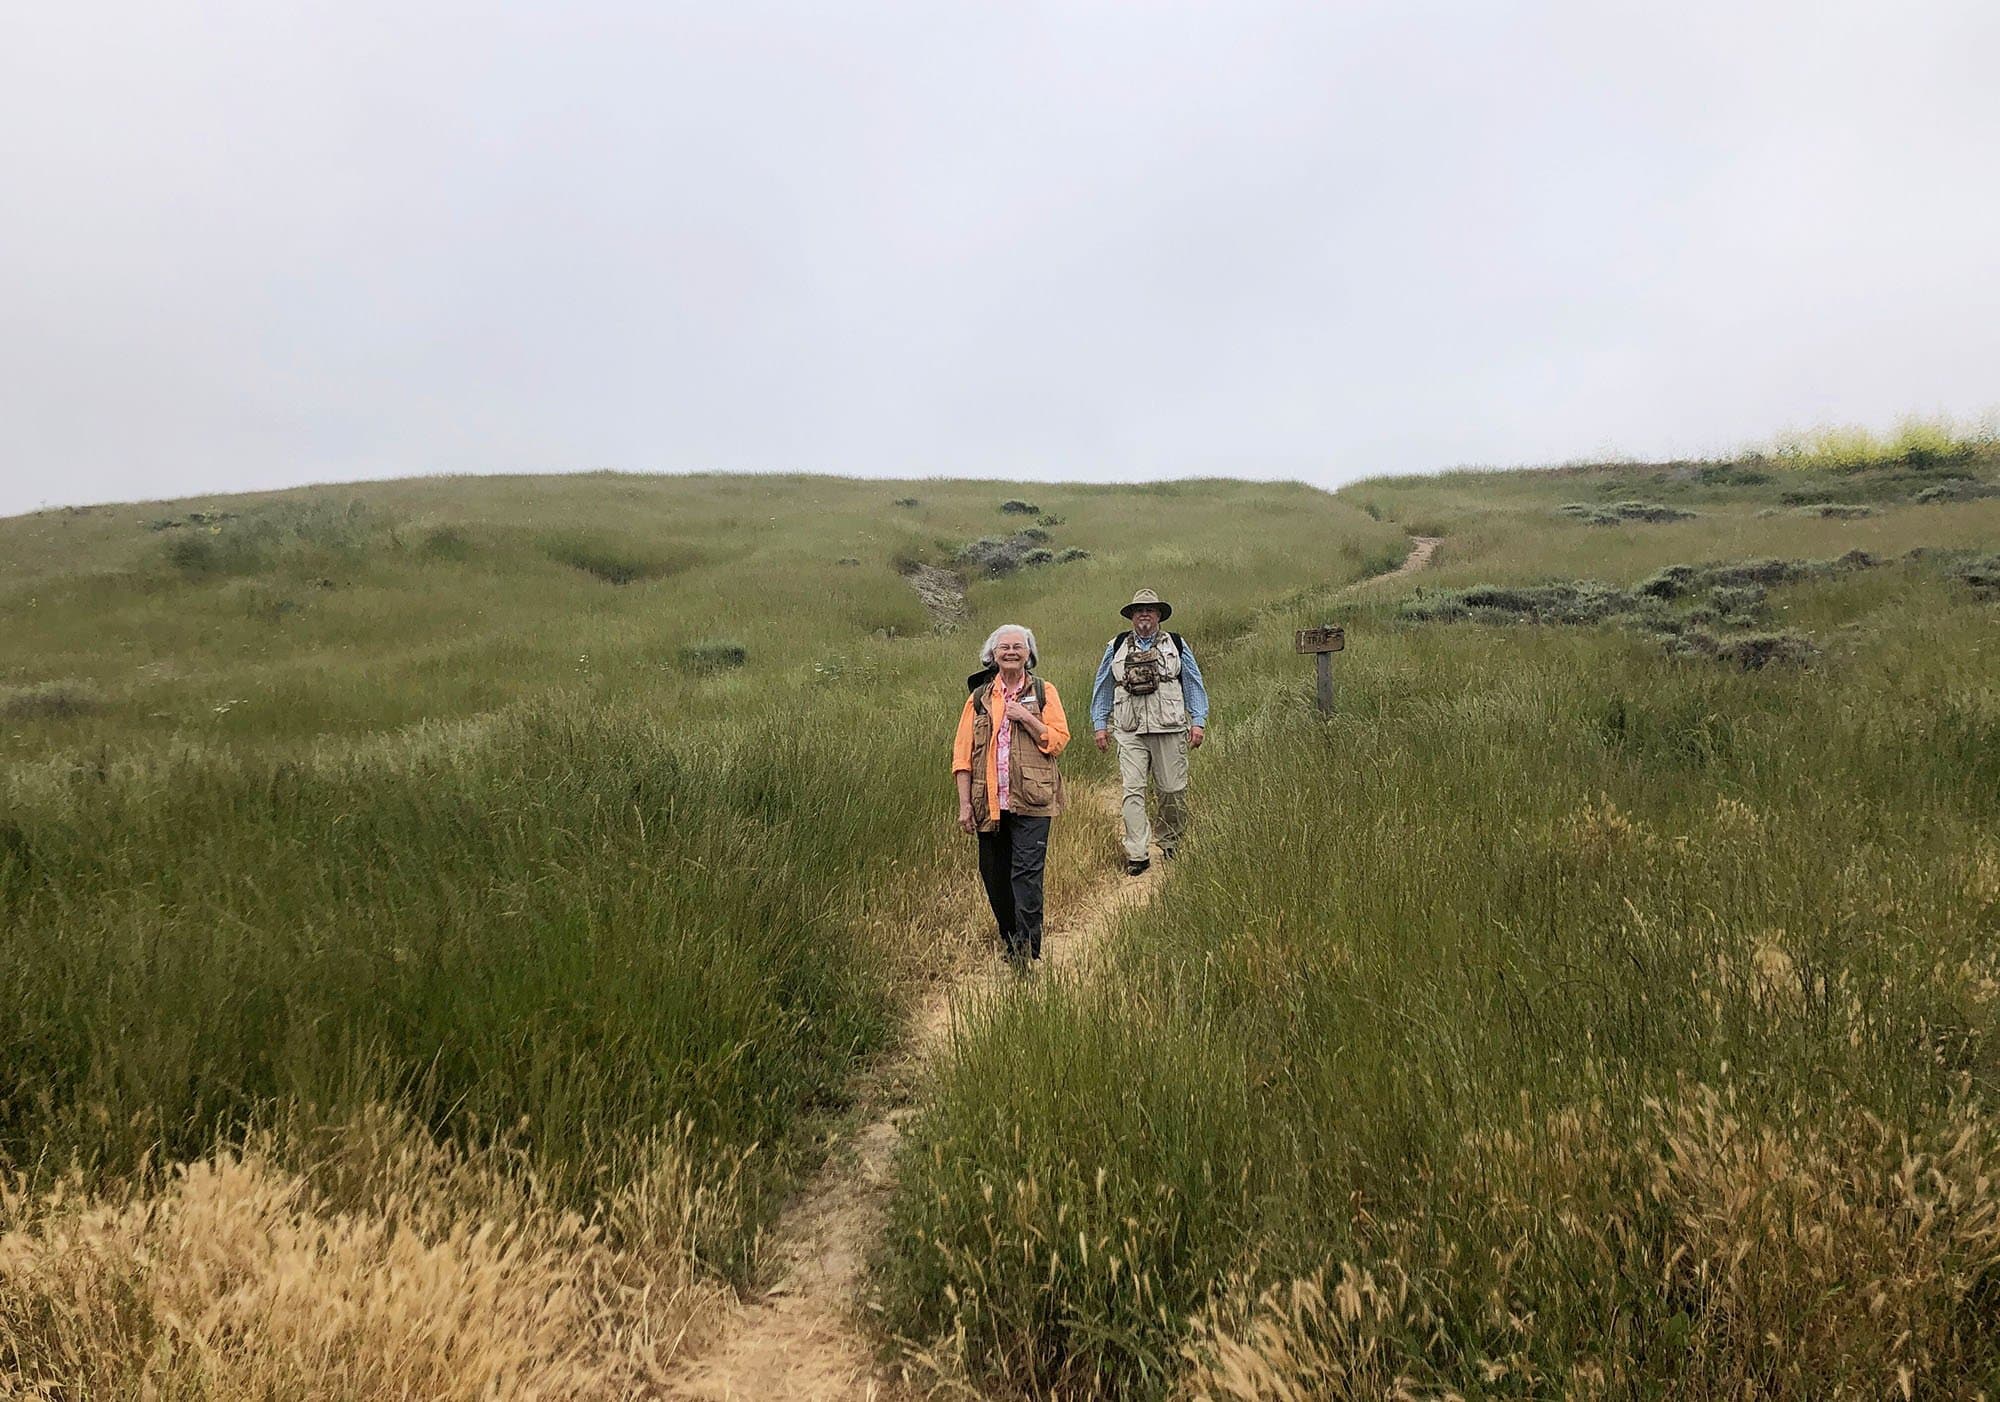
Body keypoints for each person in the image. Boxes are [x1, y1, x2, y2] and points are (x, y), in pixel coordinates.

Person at [952, 624, 1071, 966]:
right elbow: (962, 755)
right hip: (989, 802)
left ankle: (1026, 951)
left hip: (1034, 800)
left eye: (1018, 646)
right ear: (993, 655)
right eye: (1004, 647)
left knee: (1027, 875)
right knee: (993, 874)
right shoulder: (978, 699)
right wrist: (964, 805)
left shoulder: (1044, 691)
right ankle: (1011, 938)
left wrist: (1027, 720)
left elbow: (1059, 741)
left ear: (1029, 654)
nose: (1011, 652)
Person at [1090, 588, 1208, 875]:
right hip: (1129, 729)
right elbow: (1104, 684)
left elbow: (1192, 681)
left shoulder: (1176, 644)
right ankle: (1137, 854)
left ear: (1158, 615)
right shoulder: (1116, 645)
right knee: (1133, 790)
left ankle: (1170, 842)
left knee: (1171, 789)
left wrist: (1198, 721)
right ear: (1131, 616)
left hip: (1169, 727)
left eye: (1150, 609)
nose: (1144, 613)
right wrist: (1100, 724)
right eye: (1139, 609)